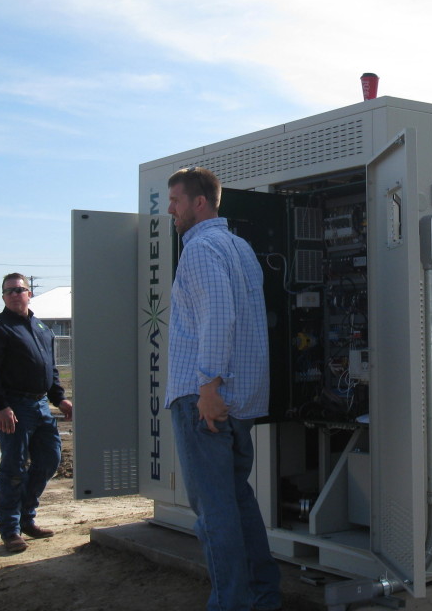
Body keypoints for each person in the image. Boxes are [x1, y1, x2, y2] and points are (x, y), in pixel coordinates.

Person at [164, 166, 282, 611]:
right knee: (236, 500)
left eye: (175, 200)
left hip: (206, 401)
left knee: (214, 512)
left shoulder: (201, 249)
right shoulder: (241, 249)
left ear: (199, 202)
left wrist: (208, 387)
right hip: (239, 402)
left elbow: (218, 318)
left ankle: (231, 603)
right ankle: (262, 597)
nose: (171, 210)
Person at [0, 273, 73, 553]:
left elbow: (50, 369)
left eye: (20, 289)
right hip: (13, 407)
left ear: (29, 293)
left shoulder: (41, 327)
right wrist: (1, 407)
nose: (15, 294)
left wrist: (60, 400)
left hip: (41, 405)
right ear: (4, 297)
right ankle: (10, 529)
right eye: (9, 291)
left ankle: (27, 518)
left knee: (49, 459)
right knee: (14, 467)